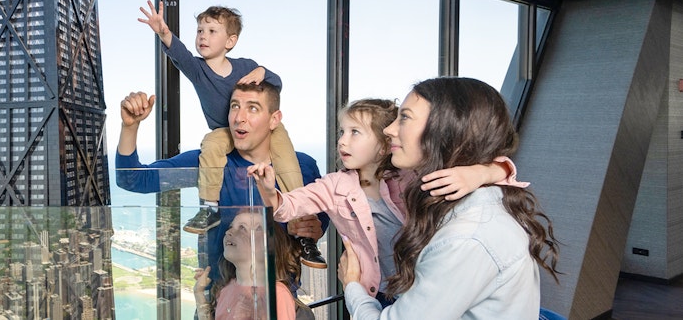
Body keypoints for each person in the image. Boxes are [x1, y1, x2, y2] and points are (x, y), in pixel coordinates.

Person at [248, 98, 527, 306]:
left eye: (355, 133)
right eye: (342, 132)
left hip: (424, 286)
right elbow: (288, 207)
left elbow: (505, 173)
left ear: (384, 145)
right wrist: (269, 191)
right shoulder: (334, 185)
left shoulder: (409, 177)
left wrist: (478, 172)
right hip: (376, 292)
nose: (342, 141)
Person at [339, 77, 560, 320]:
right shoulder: (466, 198)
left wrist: (353, 287)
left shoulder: (466, 238)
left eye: (405, 117)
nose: (389, 130)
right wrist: (487, 171)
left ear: (444, 130)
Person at [137, 1, 324, 266]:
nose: (203, 35)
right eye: (200, 30)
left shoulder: (245, 66)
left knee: (288, 162)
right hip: (226, 131)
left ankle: (302, 226)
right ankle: (209, 209)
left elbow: (275, 84)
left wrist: (263, 72)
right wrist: (163, 32)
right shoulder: (198, 70)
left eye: (212, 31)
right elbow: (179, 54)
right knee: (211, 144)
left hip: (266, 131)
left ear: (231, 41)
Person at [115, 81, 329, 284]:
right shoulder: (208, 163)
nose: (239, 118)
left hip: (279, 300)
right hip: (218, 301)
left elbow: (321, 220)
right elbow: (133, 179)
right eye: (235, 106)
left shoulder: (304, 167)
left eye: (253, 108)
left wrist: (315, 229)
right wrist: (130, 127)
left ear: (274, 119)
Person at [192, 210, 305, 320]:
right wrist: (199, 294)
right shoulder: (225, 290)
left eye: (242, 228)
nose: (228, 232)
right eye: (231, 227)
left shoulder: (276, 295)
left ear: (266, 246)